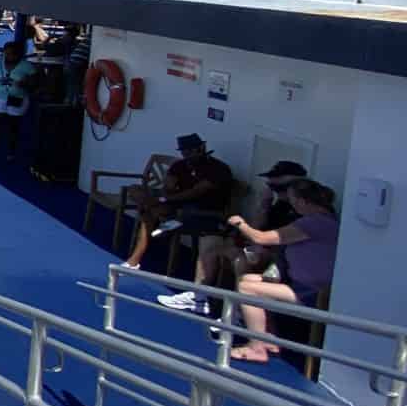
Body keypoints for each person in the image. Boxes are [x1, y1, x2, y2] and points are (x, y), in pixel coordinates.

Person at [157, 161, 305, 316]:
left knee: (241, 259)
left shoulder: (302, 210)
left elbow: (278, 240)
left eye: (278, 188)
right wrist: (264, 205)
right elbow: (257, 226)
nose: (274, 191)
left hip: (282, 254)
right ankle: (198, 297)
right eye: (271, 186)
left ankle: (239, 313)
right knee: (210, 243)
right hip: (261, 243)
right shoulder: (280, 204)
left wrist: (242, 227)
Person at [228, 180, 340, 362]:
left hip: (309, 293)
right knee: (248, 279)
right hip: (302, 286)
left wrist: (240, 223)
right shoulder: (326, 220)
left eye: (293, 200)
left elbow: (261, 238)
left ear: (303, 202)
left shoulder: (313, 223)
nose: (291, 204)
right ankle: (267, 336)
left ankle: (256, 348)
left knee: (247, 289)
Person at [122, 133, 235, 269]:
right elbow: (168, 187)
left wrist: (162, 199)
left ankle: (135, 259)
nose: (188, 154)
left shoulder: (218, 169)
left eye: (191, 150)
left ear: (202, 148)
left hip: (205, 211)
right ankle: (160, 222)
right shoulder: (180, 165)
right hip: (178, 204)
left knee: (149, 213)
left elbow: (194, 193)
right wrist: (162, 198)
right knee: (136, 191)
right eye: (185, 151)